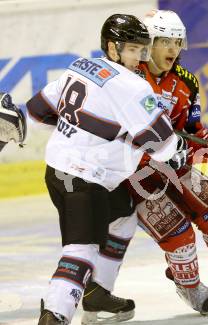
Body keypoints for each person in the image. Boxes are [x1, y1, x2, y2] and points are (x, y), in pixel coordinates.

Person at [19, 14, 188, 325]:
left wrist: (95, 128)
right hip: (85, 180)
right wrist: (176, 150)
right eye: (134, 50)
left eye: (142, 50)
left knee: (123, 216)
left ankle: (97, 292)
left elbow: (38, 112)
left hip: (59, 171)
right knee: (81, 248)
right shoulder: (132, 86)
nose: (140, 58)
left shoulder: (81, 66)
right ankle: (55, 314)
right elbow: (162, 146)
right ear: (113, 48)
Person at [89, 10, 208, 317]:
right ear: (148, 43)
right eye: (165, 41)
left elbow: (194, 134)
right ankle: (189, 285)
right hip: (136, 175)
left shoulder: (186, 83)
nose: (173, 49)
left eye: (178, 42)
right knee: (180, 237)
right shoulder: (125, 76)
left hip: (175, 166)